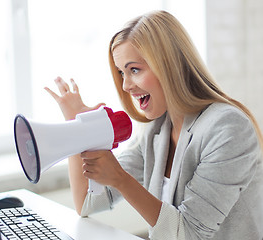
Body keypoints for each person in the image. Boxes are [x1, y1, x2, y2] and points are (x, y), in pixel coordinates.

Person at [44, 10, 263, 240]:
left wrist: (120, 178)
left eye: (134, 70)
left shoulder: (228, 128)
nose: (126, 85)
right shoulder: (157, 129)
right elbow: (87, 203)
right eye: (121, 73)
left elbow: (191, 233)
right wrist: (77, 130)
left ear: (168, 66)